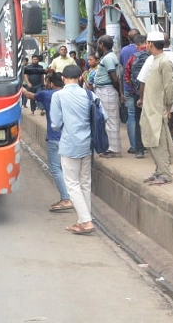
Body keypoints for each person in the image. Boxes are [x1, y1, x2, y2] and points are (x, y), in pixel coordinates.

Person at [49, 64, 96, 234]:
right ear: (80, 77)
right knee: (85, 183)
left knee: (72, 185)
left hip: (69, 143)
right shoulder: (89, 94)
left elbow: (55, 123)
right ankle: (82, 219)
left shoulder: (58, 96)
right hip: (87, 143)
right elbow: (102, 116)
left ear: (63, 78)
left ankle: (86, 221)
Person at [22, 72, 71, 212]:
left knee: (56, 168)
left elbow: (30, 95)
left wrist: (22, 88)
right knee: (69, 170)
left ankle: (65, 198)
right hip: (71, 139)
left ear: (51, 83)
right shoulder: (72, 95)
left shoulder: (46, 94)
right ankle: (74, 197)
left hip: (54, 137)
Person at [138, 31, 173, 185]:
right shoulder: (153, 60)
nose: (146, 45)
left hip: (158, 108)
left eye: (147, 43)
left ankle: (165, 174)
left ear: (150, 44)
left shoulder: (164, 62)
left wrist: (168, 107)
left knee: (159, 142)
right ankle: (158, 171)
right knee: (150, 140)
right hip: (149, 107)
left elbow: (170, 87)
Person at [93, 35, 123, 158]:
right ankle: (110, 147)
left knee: (110, 120)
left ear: (101, 45)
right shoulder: (108, 57)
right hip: (104, 90)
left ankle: (114, 149)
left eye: (98, 44)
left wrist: (120, 93)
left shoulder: (108, 58)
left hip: (107, 90)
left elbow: (114, 78)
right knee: (107, 119)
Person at [124, 34, 149, 158]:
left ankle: (139, 149)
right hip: (153, 94)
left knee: (138, 120)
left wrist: (135, 87)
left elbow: (126, 77)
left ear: (136, 45)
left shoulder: (133, 58)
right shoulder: (153, 57)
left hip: (138, 94)